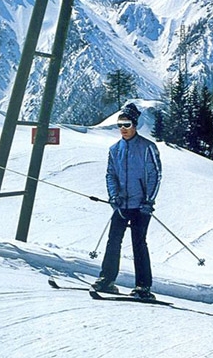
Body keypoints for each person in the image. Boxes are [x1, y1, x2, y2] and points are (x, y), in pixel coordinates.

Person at [92, 103, 162, 300]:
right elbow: (110, 175)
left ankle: (143, 286)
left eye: (127, 124)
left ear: (135, 125)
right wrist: (113, 196)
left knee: (138, 243)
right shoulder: (115, 149)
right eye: (120, 124)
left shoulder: (147, 147)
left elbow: (155, 175)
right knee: (113, 240)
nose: (123, 128)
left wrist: (148, 201)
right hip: (121, 205)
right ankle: (106, 279)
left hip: (141, 206)